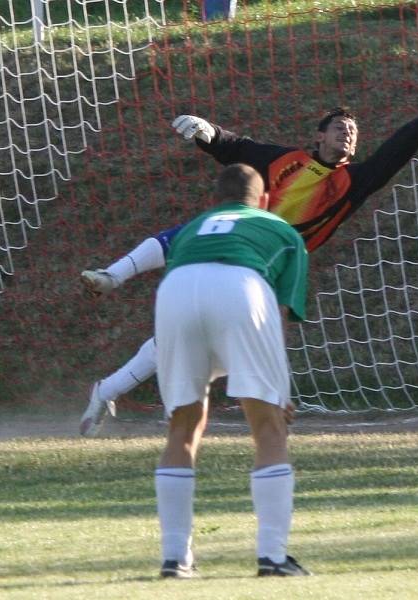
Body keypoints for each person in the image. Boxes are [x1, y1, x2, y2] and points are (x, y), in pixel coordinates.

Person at [79, 75, 418, 436]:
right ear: (319, 136)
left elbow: (394, 153)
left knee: (179, 341)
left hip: (262, 268)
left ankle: (110, 392)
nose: (348, 135)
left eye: (353, 132)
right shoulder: (286, 161)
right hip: (239, 241)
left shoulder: (352, 182)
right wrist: (207, 132)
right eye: (340, 128)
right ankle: (113, 276)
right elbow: (236, 148)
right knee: (193, 243)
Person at [153, 163, 309, 578]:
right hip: (242, 288)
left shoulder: (192, 228)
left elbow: (181, 274)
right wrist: (281, 391)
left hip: (175, 291)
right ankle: (273, 557)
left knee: (183, 425)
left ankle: (175, 558)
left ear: (215, 201)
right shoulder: (282, 230)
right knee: (268, 426)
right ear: (263, 201)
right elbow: (276, 313)